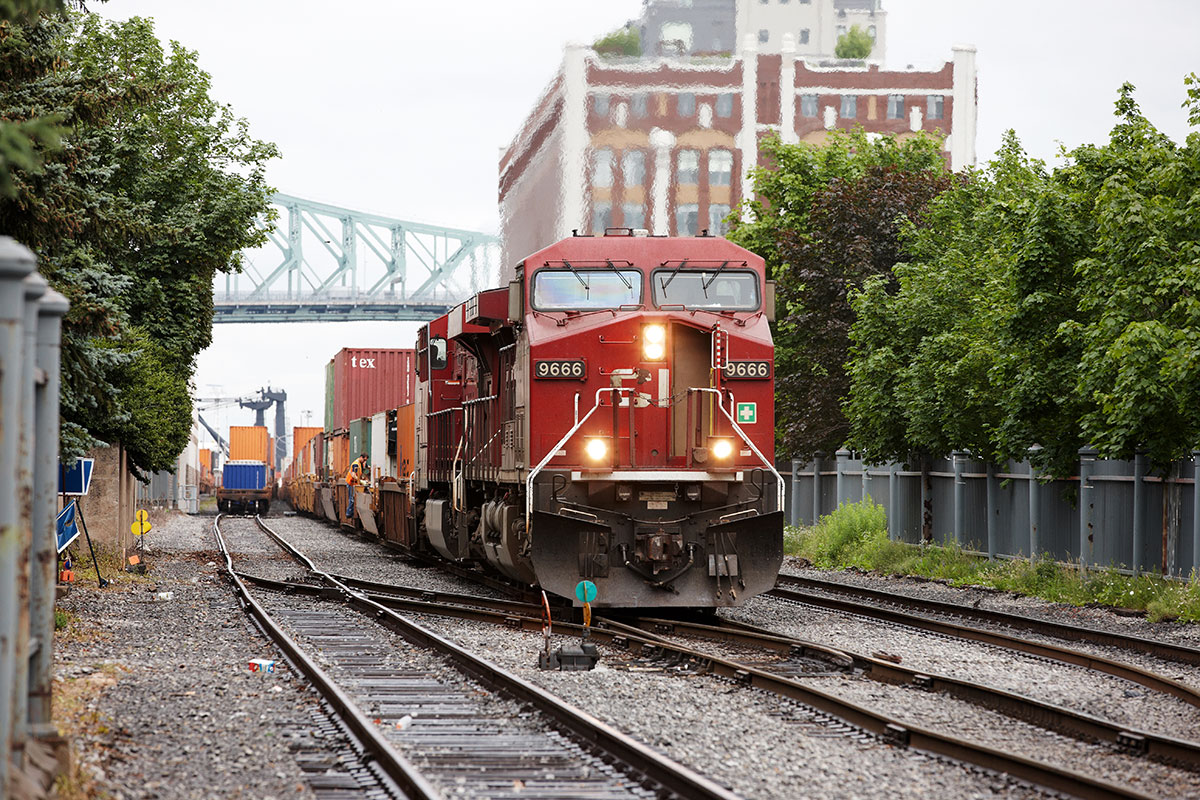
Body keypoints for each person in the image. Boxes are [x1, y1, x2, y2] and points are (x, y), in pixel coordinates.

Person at [345, 452, 368, 519]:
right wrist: (360, 480)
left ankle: (351, 513)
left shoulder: (360, 463)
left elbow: (366, 467)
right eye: (364, 460)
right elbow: (353, 474)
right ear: (361, 457)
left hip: (354, 483)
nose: (364, 461)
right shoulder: (356, 464)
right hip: (351, 483)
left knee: (353, 498)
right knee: (351, 499)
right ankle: (349, 514)